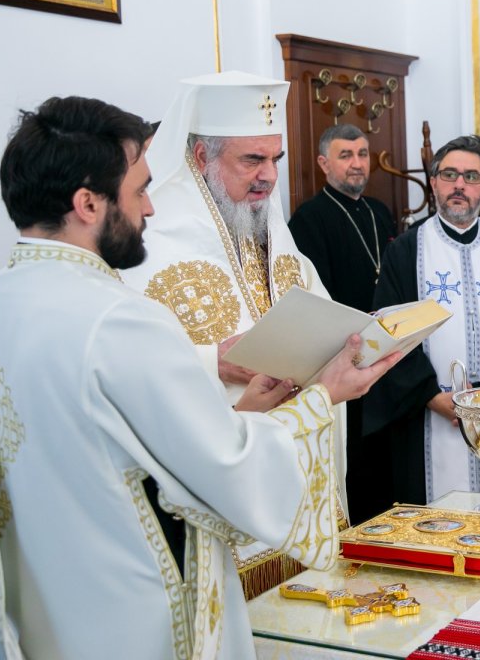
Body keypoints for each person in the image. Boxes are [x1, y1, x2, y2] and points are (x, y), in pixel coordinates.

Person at [0, 95, 400, 659]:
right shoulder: (119, 317)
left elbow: (121, 447)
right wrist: (323, 397)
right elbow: (224, 471)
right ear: (88, 203)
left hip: (47, 598)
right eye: (140, 190)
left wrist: (248, 410)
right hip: (136, 603)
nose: (150, 209)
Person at [121, 70, 343, 597]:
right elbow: (122, 363)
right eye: (251, 160)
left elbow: (323, 310)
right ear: (200, 158)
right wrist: (211, 362)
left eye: (275, 160)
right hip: (215, 482)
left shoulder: (270, 226)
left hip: (294, 457)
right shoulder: (145, 240)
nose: (268, 177)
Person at [373, 135, 480, 504]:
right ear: (434, 183)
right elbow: (390, 330)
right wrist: (430, 395)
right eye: (449, 175)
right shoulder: (405, 250)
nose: (459, 184)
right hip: (429, 412)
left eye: (471, 177)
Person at [288, 123, 398, 523]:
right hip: (342, 357)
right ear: (323, 163)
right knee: (356, 459)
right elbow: (315, 297)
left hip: (384, 351)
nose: (357, 164)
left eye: (363, 154)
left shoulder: (379, 212)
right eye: (345, 155)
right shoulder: (308, 220)